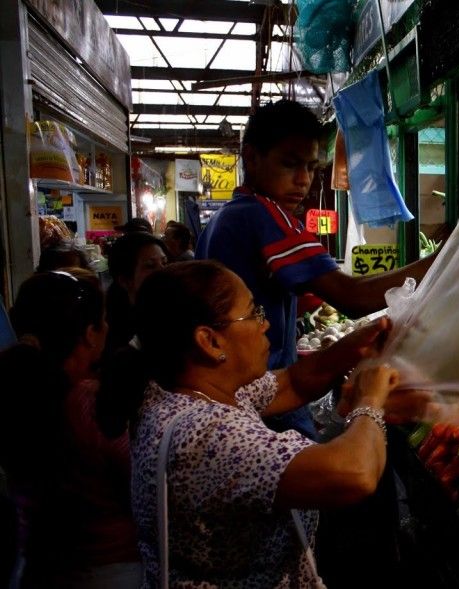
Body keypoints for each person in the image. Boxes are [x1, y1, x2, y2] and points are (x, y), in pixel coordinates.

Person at [95, 260, 429, 587]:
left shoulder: (187, 392)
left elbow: (293, 382)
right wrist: (369, 401)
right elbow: (355, 474)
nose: (265, 324)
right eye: (253, 313)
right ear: (209, 341)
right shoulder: (205, 436)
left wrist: (359, 342)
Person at [197, 99, 436, 437]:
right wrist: (445, 256)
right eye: (290, 164)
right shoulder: (264, 216)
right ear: (251, 157)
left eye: (310, 167)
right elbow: (353, 298)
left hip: (232, 387)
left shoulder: (225, 217)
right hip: (264, 393)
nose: (303, 180)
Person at [0, 269, 141, 588]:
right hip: (107, 569)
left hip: (35, 566)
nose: (107, 327)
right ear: (91, 334)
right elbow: (139, 479)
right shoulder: (87, 404)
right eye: (102, 320)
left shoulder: (14, 387)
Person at [104, 232, 168, 355]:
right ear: (124, 280)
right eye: (150, 266)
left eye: (165, 263)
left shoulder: (172, 316)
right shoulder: (116, 336)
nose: (163, 271)